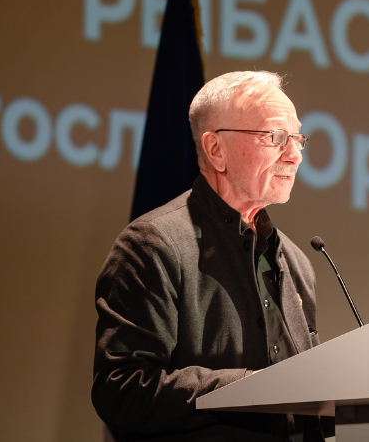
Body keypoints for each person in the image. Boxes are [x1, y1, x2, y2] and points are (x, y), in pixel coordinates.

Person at [92, 71, 330, 441]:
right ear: (216, 149)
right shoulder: (152, 245)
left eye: (297, 138)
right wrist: (250, 388)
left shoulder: (296, 261)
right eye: (276, 137)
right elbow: (121, 389)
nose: (295, 154)